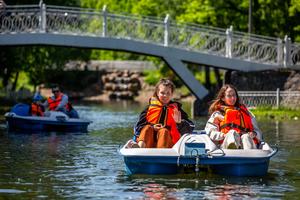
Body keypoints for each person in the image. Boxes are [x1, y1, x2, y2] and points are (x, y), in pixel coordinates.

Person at [132, 78, 195, 148]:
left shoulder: (177, 110)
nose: (165, 96)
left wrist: (180, 123)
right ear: (157, 93)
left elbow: (191, 128)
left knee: (164, 131)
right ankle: (139, 149)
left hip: (168, 144)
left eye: (168, 93)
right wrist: (153, 127)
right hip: (148, 143)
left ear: (172, 94)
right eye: (162, 93)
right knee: (147, 128)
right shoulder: (148, 109)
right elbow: (137, 129)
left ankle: (161, 154)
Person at [204, 84, 262, 149]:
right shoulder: (218, 114)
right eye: (229, 96)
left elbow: (258, 131)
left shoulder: (246, 112)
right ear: (223, 98)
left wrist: (254, 134)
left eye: (234, 95)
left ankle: (248, 155)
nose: (233, 98)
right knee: (232, 133)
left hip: (245, 144)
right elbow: (210, 132)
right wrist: (223, 135)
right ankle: (232, 148)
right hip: (226, 145)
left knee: (246, 137)